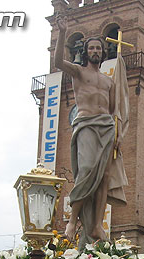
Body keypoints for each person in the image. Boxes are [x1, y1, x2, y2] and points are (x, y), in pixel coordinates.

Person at [55, 17, 129, 245]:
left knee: (103, 178)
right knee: (86, 170)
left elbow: (115, 110)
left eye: (98, 48)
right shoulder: (78, 72)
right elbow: (58, 62)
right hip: (86, 124)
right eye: (91, 48)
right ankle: (72, 220)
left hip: (106, 129)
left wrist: (118, 136)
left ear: (103, 51)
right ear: (86, 52)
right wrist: (62, 32)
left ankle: (96, 225)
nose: (95, 51)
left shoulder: (109, 82)